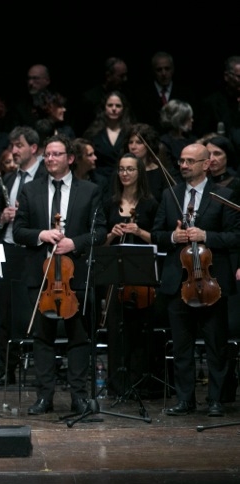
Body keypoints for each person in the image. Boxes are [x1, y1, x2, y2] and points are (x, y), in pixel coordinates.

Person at [12, 135, 107, 415]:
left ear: (70, 158)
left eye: (56, 154)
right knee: (43, 338)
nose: (50, 159)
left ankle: (79, 396)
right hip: (41, 276)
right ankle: (44, 397)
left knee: (79, 337)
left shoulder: (89, 190)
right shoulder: (30, 190)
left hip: (75, 275)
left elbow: (100, 231)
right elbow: (18, 231)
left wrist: (74, 243)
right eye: (47, 154)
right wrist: (42, 234)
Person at [152, 143, 240, 417]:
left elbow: (235, 236)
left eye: (191, 161)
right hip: (179, 281)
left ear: (206, 164)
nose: (184, 165)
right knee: (182, 346)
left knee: (215, 345)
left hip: (211, 282)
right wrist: (172, 237)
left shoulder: (223, 196)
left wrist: (206, 236)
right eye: (182, 160)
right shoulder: (169, 195)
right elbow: (156, 233)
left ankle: (215, 400)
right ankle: (185, 399)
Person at [0, 126, 49, 382]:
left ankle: (42, 371)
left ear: (33, 148)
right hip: (10, 249)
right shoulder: (11, 179)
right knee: (6, 313)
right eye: (12, 146)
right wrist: (2, 217)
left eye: (19, 145)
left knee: (36, 311)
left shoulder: (46, 177)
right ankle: (7, 370)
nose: (13, 151)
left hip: (35, 250)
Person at [101, 153, 159, 396]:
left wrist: (139, 231)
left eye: (130, 169)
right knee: (116, 330)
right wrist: (112, 234)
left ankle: (141, 384)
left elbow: (158, 239)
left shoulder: (150, 204)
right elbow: (101, 243)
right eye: (122, 169)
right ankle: (117, 385)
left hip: (142, 278)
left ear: (139, 173)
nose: (125, 173)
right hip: (116, 279)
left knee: (141, 330)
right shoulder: (109, 203)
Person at [83, 91, 133, 186]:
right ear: (104, 108)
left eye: (118, 106)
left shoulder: (130, 132)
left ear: (123, 109)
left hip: (124, 180)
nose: (114, 109)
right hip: (98, 181)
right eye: (110, 105)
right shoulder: (93, 133)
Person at [159, 99, 196, 169]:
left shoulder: (191, 139)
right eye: (189, 118)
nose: (192, 120)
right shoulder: (165, 143)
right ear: (180, 119)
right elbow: (169, 170)